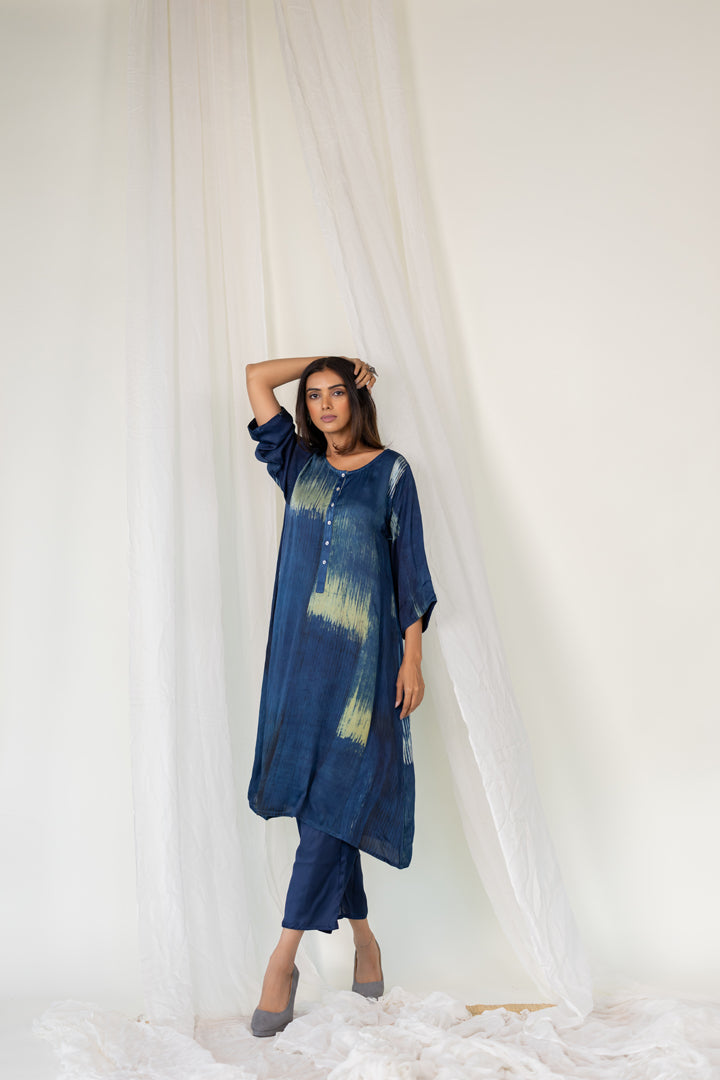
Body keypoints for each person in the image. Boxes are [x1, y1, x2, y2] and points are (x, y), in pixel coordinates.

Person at [245, 354, 437, 1037]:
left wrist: (413, 659)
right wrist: (333, 356)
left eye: (338, 392)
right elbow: (255, 377)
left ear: (358, 401)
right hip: (301, 666)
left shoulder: (392, 473)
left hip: (365, 668)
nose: (326, 404)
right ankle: (365, 939)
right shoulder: (297, 465)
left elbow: (409, 572)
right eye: (315, 396)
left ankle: (282, 960)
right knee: (321, 810)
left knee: (334, 801)